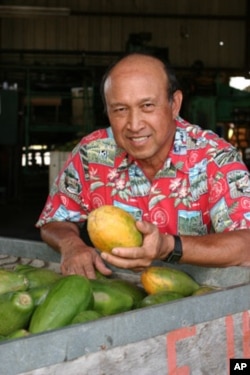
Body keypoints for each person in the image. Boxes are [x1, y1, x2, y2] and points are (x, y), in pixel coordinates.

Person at [36, 52, 250, 279]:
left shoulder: (216, 158)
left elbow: (246, 243)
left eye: (147, 106)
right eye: (120, 109)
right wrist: (71, 245)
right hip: (118, 295)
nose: (134, 125)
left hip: (199, 299)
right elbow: (54, 219)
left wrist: (169, 246)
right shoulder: (92, 154)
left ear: (174, 104)